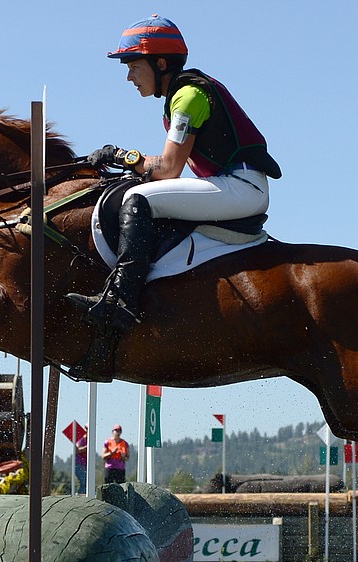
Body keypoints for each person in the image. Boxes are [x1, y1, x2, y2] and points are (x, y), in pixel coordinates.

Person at [66, 13, 281, 339]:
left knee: (137, 198)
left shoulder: (189, 95)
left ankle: (121, 299)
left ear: (161, 64)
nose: (129, 77)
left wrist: (121, 155)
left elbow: (167, 170)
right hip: (234, 185)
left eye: (133, 66)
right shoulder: (184, 92)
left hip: (240, 188)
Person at [73, 429, 88, 495]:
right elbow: (77, 450)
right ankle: (80, 496)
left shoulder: (89, 440)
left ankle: (82, 495)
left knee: (85, 482)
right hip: (79, 464)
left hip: (86, 464)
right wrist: (86, 447)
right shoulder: (81, 439)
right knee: (83, 482)